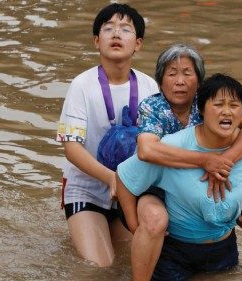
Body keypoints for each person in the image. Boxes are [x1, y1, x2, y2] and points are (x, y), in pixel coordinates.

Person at [124, 44, 242, 280]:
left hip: (200, 183)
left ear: (199, 81)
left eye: (187, 73)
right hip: (155, 183)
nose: (180, 81)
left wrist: (225, 163)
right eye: (172, 73)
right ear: (160, 81)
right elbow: (146, 151)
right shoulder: (153, 106)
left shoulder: (212, 101)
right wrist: (206, 160)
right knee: (155, 217)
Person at [55, 3, 159, 267]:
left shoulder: (149, 86)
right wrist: (112, 179)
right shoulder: (81, 85)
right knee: (100, 267)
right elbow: (72, 149)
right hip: (87, 189)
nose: (116, 34)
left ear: (138, 44)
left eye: (125, 29)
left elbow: (159, 144)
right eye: (108, 28)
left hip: (132, 191)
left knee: (129, 264)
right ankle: (82, 223)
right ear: (96, 41)